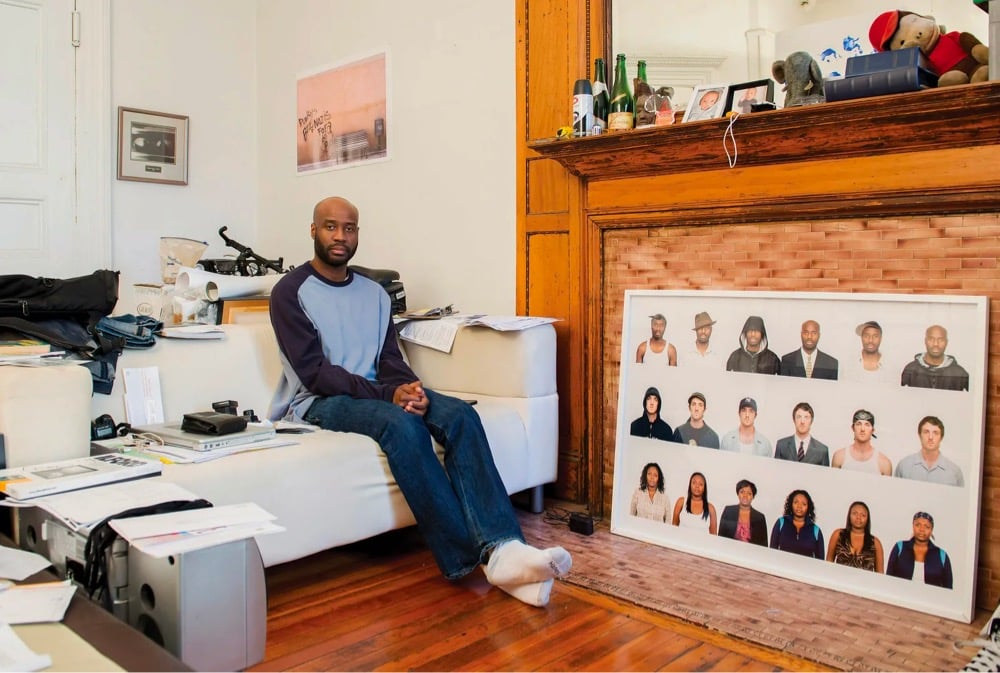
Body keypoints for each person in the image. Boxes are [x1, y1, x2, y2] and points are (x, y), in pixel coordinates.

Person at [267, 196, 571, 607]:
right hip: (318, 402)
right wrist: (390, 397)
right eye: (330, 227)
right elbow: (314, 372)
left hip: (379, 394)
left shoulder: (374, 294)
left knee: (460, 415)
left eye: (349, 228)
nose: (340, 236)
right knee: (402, 425)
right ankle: (471, 558)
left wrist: (411, 390)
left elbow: (389, 359)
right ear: (313, 230)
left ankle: (505, 549)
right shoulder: (289, 292)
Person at [886, 512, 953, 589]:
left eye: (927, 527)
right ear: (913, 526)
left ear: (931, 530)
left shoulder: (942, 555)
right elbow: (888, 579)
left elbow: (948, 589)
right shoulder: (899, 547)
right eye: (918, 525)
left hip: (930, 599)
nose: (922, 529)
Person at [894, 416, 965, 486]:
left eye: (935, 433)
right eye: (926, 432)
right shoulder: (904, 466)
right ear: (919, 435)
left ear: (941, 437)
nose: (930, 437)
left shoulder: (954, 472)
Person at [900, 324, 970, 391]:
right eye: (931, 339)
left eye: (940, 340)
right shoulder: (910, 370)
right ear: (925, 341)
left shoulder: (960, 374)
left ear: (946, 342)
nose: (935, 344)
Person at [826, 501, 884, 573]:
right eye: (855, 513)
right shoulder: (838, 534)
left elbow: (880, 574)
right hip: (839, 581)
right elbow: (828, 563)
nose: (858, 517)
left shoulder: (875, 543)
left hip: (864, 583)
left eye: (863, 515)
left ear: (868, 519)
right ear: (849, 515)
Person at [831, 409, 892, 476]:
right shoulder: (839, 457)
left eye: (867, 425)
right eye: (858, 424)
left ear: (873, 430)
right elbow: (833, 485)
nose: (862, 429)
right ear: (853, 428)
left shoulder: (884, 463)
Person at [770, 489, 825, 559]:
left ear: (808, 507)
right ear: (791, 504)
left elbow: (820, 560)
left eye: (804, 504)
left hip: (805, 569)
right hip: (782, 567)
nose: (799, 506)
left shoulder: (816, 530)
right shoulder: (781, 523)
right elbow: (772, 551)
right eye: (796, 502)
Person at [774, 402, 830, 466]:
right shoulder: (781, 445)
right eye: (799, 417)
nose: (802, 421)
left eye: (806, 417)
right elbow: (776, 473)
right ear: (794, 420)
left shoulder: (822, 450)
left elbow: (824, 476)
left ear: (811, 421)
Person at [717, 479, 767, 546]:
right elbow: (721, 537)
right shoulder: (728, 511)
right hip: (730, 551)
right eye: (742, 492)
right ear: (738, 494)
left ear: (753, 496)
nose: (745, 495)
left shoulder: (760, 517)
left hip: (751, 554)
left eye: (749, 493)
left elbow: (763, 544)